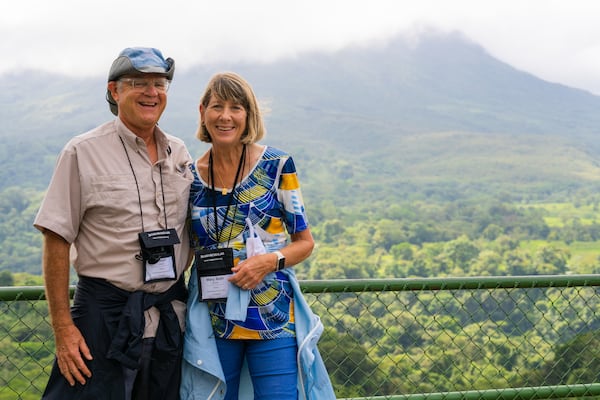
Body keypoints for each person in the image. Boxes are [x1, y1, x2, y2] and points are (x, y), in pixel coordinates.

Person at [33, 47, 194, 400]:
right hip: (102, 318)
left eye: (160, 83)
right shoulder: (82, 151)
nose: (152, 92)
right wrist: (63, 329)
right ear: (114, 91)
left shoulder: (179, 154)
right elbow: (56, 237)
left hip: (170, 316)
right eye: (138, 82)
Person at [180, 72, 335, 400]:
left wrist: (269, 262)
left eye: (236, 108)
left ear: (248, 115)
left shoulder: (277, 166)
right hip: (213, 320)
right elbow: (187, 251)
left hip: (272, 318)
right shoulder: (188, 176)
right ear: (202, 111)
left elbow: (305, 242)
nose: (225, 116)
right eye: (217, 106)